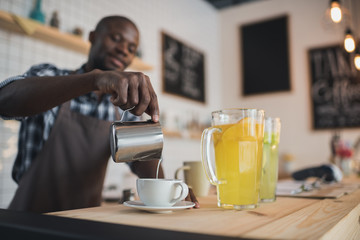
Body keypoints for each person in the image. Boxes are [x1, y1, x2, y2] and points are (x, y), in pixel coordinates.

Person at [0, 15, 198, 213]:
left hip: (87, 222)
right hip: (29, 218)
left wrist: (168, 190)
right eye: (116, 38)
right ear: (93, 37)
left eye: (131, 48)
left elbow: (142, 159)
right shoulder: (49, 77)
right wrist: (94, 80)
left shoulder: (123, 107)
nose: (123, 50)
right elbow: (5, 100)